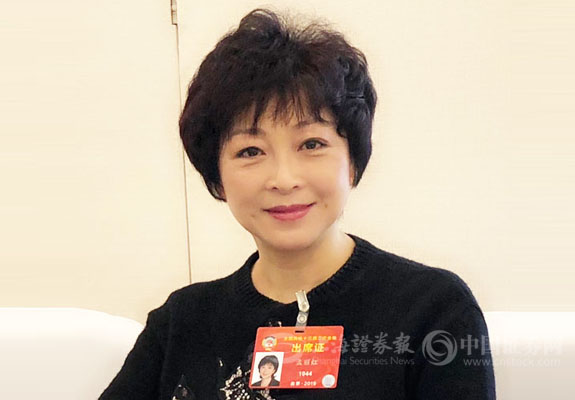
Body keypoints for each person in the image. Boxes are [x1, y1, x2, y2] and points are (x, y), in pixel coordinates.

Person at [100, 8, 496, 400]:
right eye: (250, 151)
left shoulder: (433, 310)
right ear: (217, 177)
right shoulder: (180, 322)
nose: (284, 179)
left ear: (352, 162)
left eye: (311, 144)